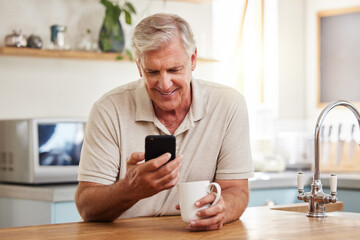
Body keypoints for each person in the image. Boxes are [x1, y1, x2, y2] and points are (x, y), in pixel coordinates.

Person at [75, 13, 254, 232]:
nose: (164, 84)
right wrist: (130, 189)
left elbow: (236, 190)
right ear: (139, 66)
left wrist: (222, 209)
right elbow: (86, 206)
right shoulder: (108, 109)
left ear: (193, 59)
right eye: (152, 71)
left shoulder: (228, 104)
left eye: (174, 69)